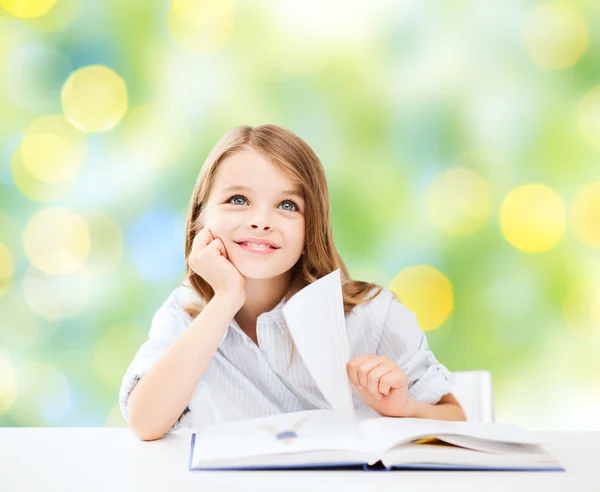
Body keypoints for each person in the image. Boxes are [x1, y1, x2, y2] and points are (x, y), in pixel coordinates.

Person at [119, 125, 465, 441]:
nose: (260, 221)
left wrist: (404, 409)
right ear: (199, 218)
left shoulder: (372, 314)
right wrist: (226, 297)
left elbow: (458, 420)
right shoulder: (185, 315)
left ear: (310, 228)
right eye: (238, 200)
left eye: (287, 205)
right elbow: (146, 423)